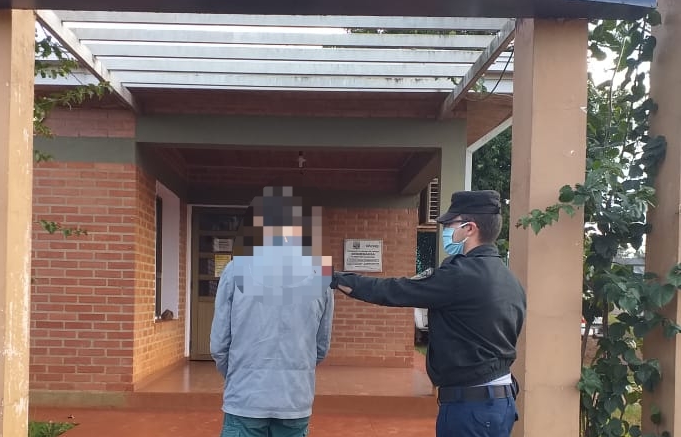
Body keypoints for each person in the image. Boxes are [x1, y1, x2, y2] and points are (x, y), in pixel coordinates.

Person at [330, 190, 526, 437]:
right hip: (499, 403)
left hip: (470, 409)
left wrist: (336, 278)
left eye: (449, 224)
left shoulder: (461, 275)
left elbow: (396, 291)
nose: (444, 229)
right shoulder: (509, 279)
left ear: (469, 228)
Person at [210, 186, 334, 437]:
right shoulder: (321, 273)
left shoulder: (235, 270)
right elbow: (321, 346)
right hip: (294, 399)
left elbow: (219, 344)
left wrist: (238, 373)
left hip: (245, 398)